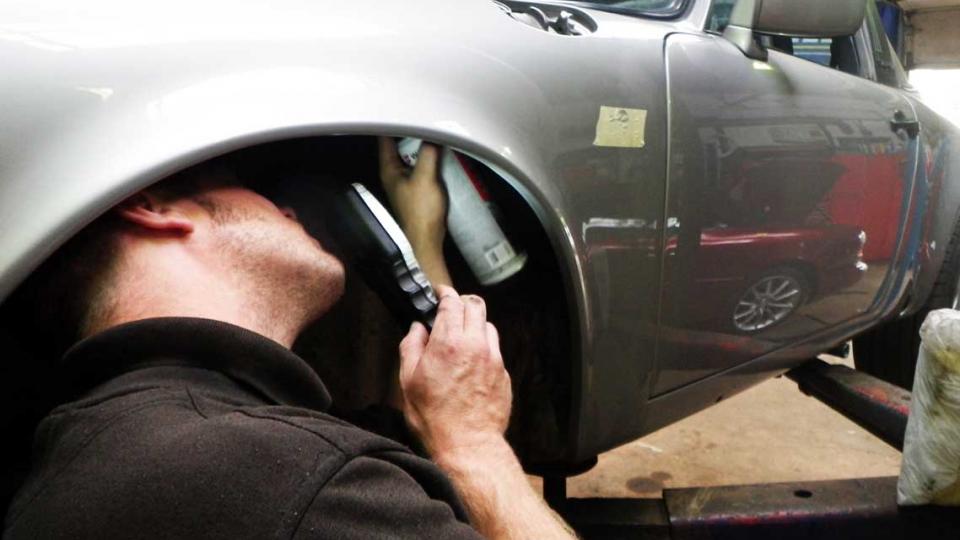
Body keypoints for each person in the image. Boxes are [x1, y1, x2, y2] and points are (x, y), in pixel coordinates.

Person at [2, 138, 575, 539]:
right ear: (152, 207)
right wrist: (475, 445)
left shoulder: (120, 442)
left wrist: (424, 244)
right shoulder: (274, 474)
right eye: (247, 186)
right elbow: (434, 455)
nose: (289, 206)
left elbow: (413, 440)